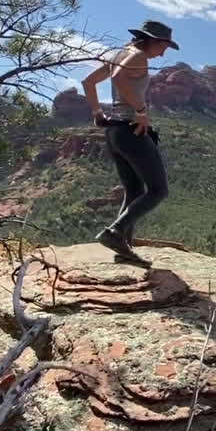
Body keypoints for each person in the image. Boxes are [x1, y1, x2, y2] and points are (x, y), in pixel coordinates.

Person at [81, 20, 179, 266]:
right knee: (158, 191)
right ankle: (114, 233)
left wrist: (97, 112)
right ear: (152, 41)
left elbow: (88, 82)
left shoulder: (118, 54)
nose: (164, 52)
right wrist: (141, 109)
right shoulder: (137, 56)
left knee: (135, 191)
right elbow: (118, 76)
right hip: (131, 131)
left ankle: (124, 249)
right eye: (164, 46)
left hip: (114, 131)